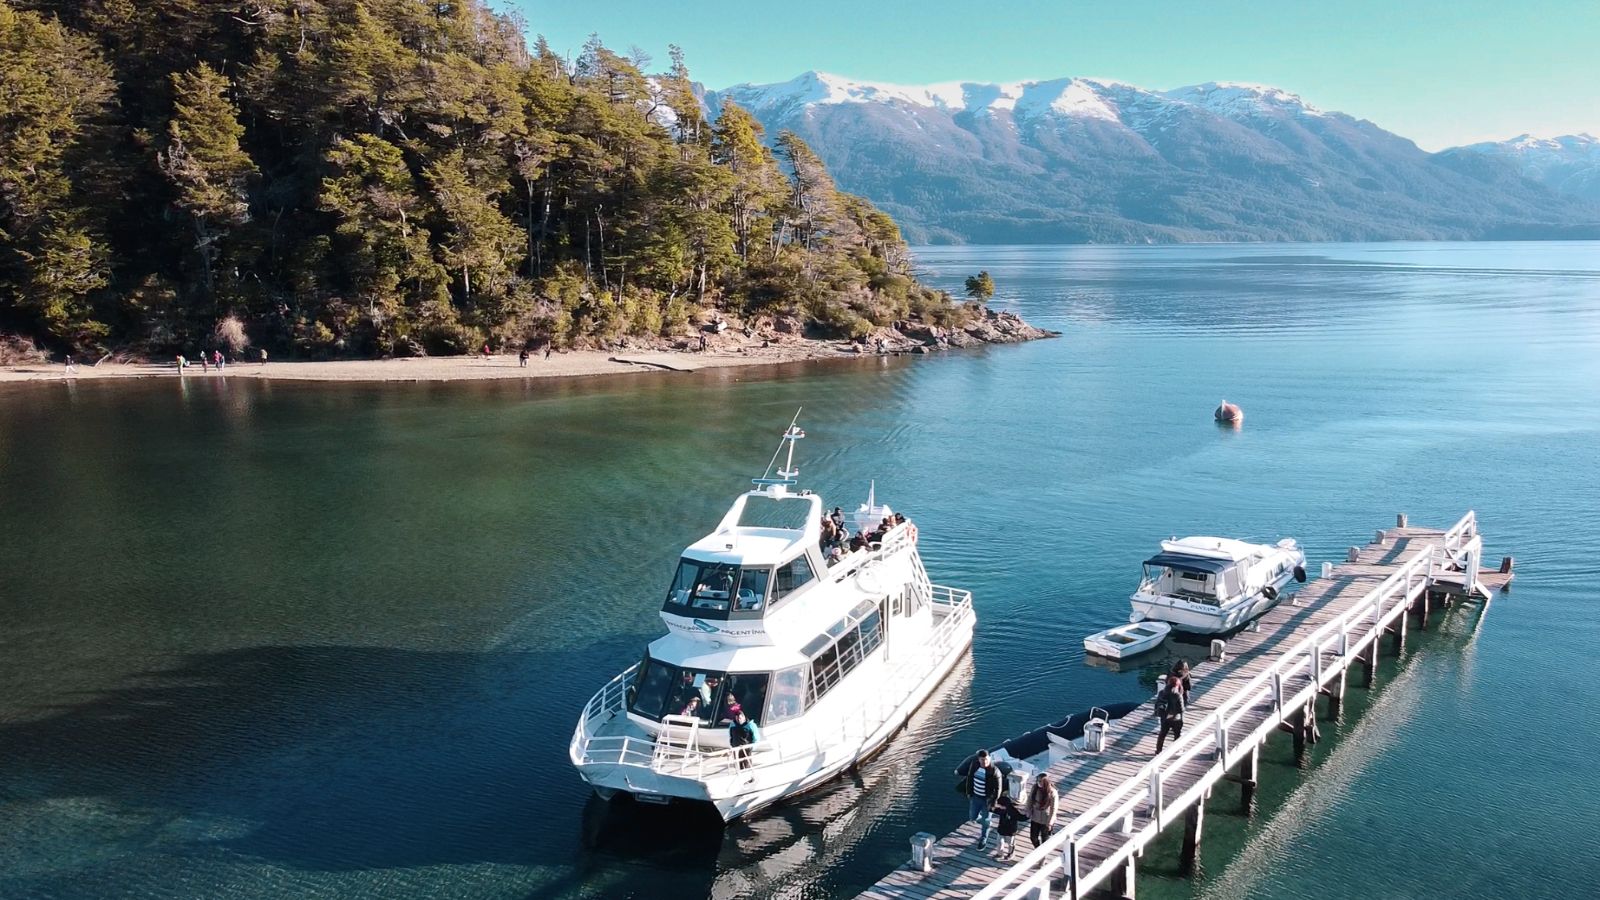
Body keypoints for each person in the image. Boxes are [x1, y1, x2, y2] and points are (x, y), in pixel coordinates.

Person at [964, 749, 1001, 847]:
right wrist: (969, 792)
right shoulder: (974, 765)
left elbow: (998, 789)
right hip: (976, 797)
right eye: (982, 760)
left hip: (987, 799)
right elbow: (970, 778)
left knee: (986, 820)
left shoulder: (994, 771)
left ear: (989, 758)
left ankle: (983, 838)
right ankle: (986, 823)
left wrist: (993, 802)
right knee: (973, 817)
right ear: (979, 759)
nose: (984, 762)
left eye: (986, 760)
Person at [1026, 772, 1059, 848]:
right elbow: (1030, 799)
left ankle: (1042, 855)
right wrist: (1028, 810)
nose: (1038, 783)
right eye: (1038, 781)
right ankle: (1037, 849)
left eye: (1040, 781)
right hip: (1035, 817)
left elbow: (1053, 809)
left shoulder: (1052, 792)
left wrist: (1050, 822)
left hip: (1046, 819)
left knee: (1045, 839)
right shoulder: (1035, 788)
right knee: (1033, 837)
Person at [1155, 674, 1186, 752]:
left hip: (1165, 717)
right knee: (1177, 735)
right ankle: (1177, 750)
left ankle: (1158, 750)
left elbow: (1157, 704)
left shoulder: (1162, 692)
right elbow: (1181, 709)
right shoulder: (1178, 695)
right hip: (1176, 719)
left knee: (1162, 734)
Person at [994, 787, 1025, 859]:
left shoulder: (1014, 810)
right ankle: (1000, 854)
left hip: (1011, 829)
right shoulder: (1003, 806)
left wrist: (1028, 815)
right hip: (1002, 826)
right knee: (1000, 841)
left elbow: (1021, 817)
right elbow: (995, 809)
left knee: (1010, 843)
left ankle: (1010, 854)